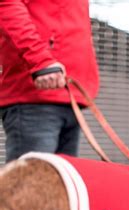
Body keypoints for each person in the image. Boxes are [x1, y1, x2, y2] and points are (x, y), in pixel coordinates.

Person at [0, 0, 99, 162]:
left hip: (70, 97)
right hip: (35, 95)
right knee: (29, 184)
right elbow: (7, 4)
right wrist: (40, 60)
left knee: (60, 183)